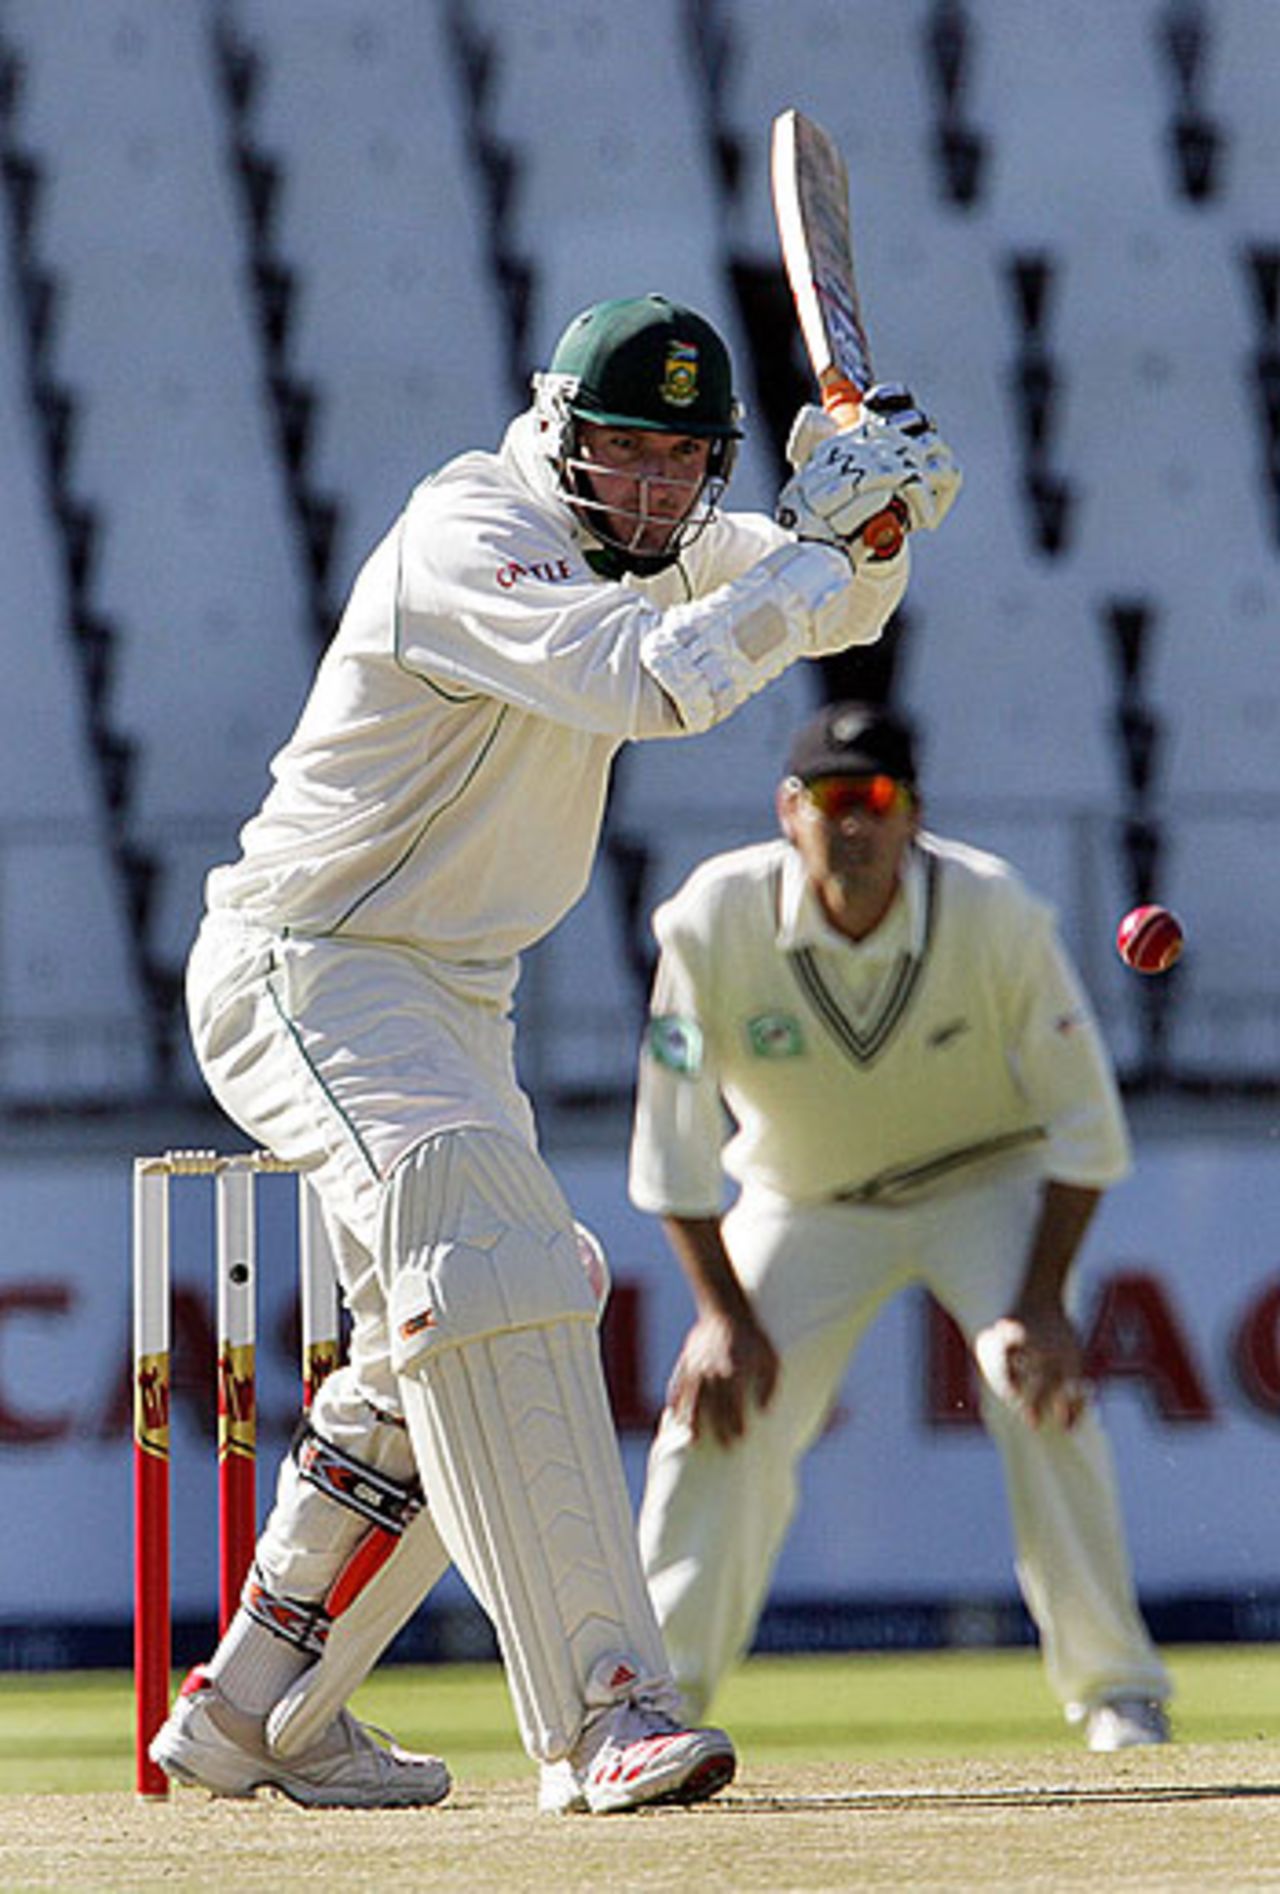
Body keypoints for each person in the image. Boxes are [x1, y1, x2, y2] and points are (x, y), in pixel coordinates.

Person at [148, 296, 962, 1812]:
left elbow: (835, 614)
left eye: (684, 462)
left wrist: (878, 522)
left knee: (457, 1330)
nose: (655, 491)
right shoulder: (471, 532)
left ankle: (257, 1705)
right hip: (310, 965)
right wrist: (809, 548)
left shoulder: (660, 539)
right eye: (627, 453)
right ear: (558, 429)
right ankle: (605, 1713)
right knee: (493, 1261)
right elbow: (651, 680)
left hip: (455, 995)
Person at [630, 700, 1172, 1755]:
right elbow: (672, 1142)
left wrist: (1039, 1306)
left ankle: (1118, 1692)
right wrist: (721, 1318)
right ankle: (654, 1703)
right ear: (788, 810)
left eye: (877, 799)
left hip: (985, 1183)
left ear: (912, 814)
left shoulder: (995, 911)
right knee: (716, 1412)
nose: (854, 823)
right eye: (833, 798)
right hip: (802, 1198)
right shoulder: (709, 920)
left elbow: (1085, 1127)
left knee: (1041, 1390)